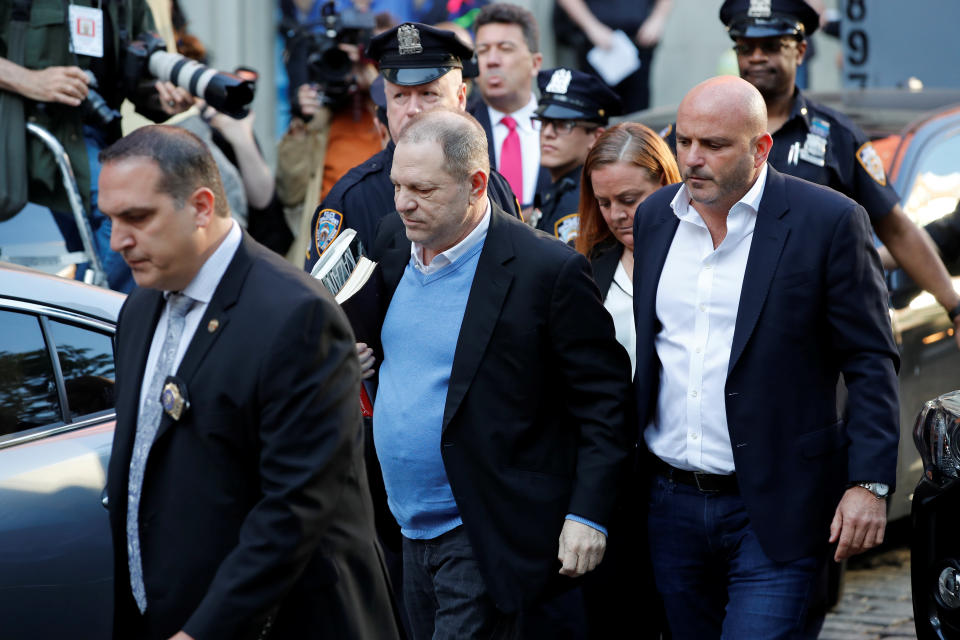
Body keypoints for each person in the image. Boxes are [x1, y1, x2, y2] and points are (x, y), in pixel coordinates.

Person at [100, 125, 400, 640]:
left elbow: (296, 507)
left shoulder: (296, 316)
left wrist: (205, 631)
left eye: (137, 218)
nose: (118, 240)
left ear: (200, 206)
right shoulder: (140, 308)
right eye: (111, 219)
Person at [633, 76, 900, 639]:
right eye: (683, 142)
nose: (692, 159)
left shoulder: (828, 222)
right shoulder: (655, 217)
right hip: (670, 503)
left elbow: (871, 359)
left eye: (714, 145)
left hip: (779, 505)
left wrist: (869, 483)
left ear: (761, 148)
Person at [369, 108, 632, 638]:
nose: (403, 203)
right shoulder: (392, 242)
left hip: (485, 527)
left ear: (476, 185)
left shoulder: (546, 270)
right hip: (403, 529)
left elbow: (605, 403)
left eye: (422, 189)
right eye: (397, 186)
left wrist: (588, 514)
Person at [717, 0, 960, 347]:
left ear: (800, 51)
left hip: (816, 334)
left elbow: (896, 229)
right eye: (745, 47)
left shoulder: (836, 136)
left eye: (771, 47)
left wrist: (954, 306)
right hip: (723, 326)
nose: (756, 57)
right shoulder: (709, 133)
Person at [0, 0, 187, 292]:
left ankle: (93, 321)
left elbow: (140, 75)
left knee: (104, 244)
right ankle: (94, 317)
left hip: (101, 137)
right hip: (29, 135)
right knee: (128, 211)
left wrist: (165, 97)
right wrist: (29, 80)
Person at [304, 21, 520, 270]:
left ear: (461, 99)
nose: (413, 110)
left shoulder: (491, 185)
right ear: (386, 101)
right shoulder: (351, 200)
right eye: (400, 96)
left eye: (429, 94)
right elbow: (330, 304)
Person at [575, 121, 680, 373]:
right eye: (604, 203)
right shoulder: (586, 264)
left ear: (664, 183)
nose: (616, 215)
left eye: (629, 200)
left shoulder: (701, 253)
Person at [532, 67, 622, 242]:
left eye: (564, 125)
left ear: (596, 137)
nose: (547, 133)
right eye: (544, 122)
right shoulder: (561, 189)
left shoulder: (586, 196)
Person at [470, 3, 545, 209]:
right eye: (483, 51)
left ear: (535, 63)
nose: (492, 60)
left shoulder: (562, 126)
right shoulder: (460, 126)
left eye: (505, 49)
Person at [554, 0, 673, 112]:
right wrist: (591, 26)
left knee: (638, 111)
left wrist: (657, 19)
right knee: (596, 111)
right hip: (595, 47)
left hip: (638, 42)